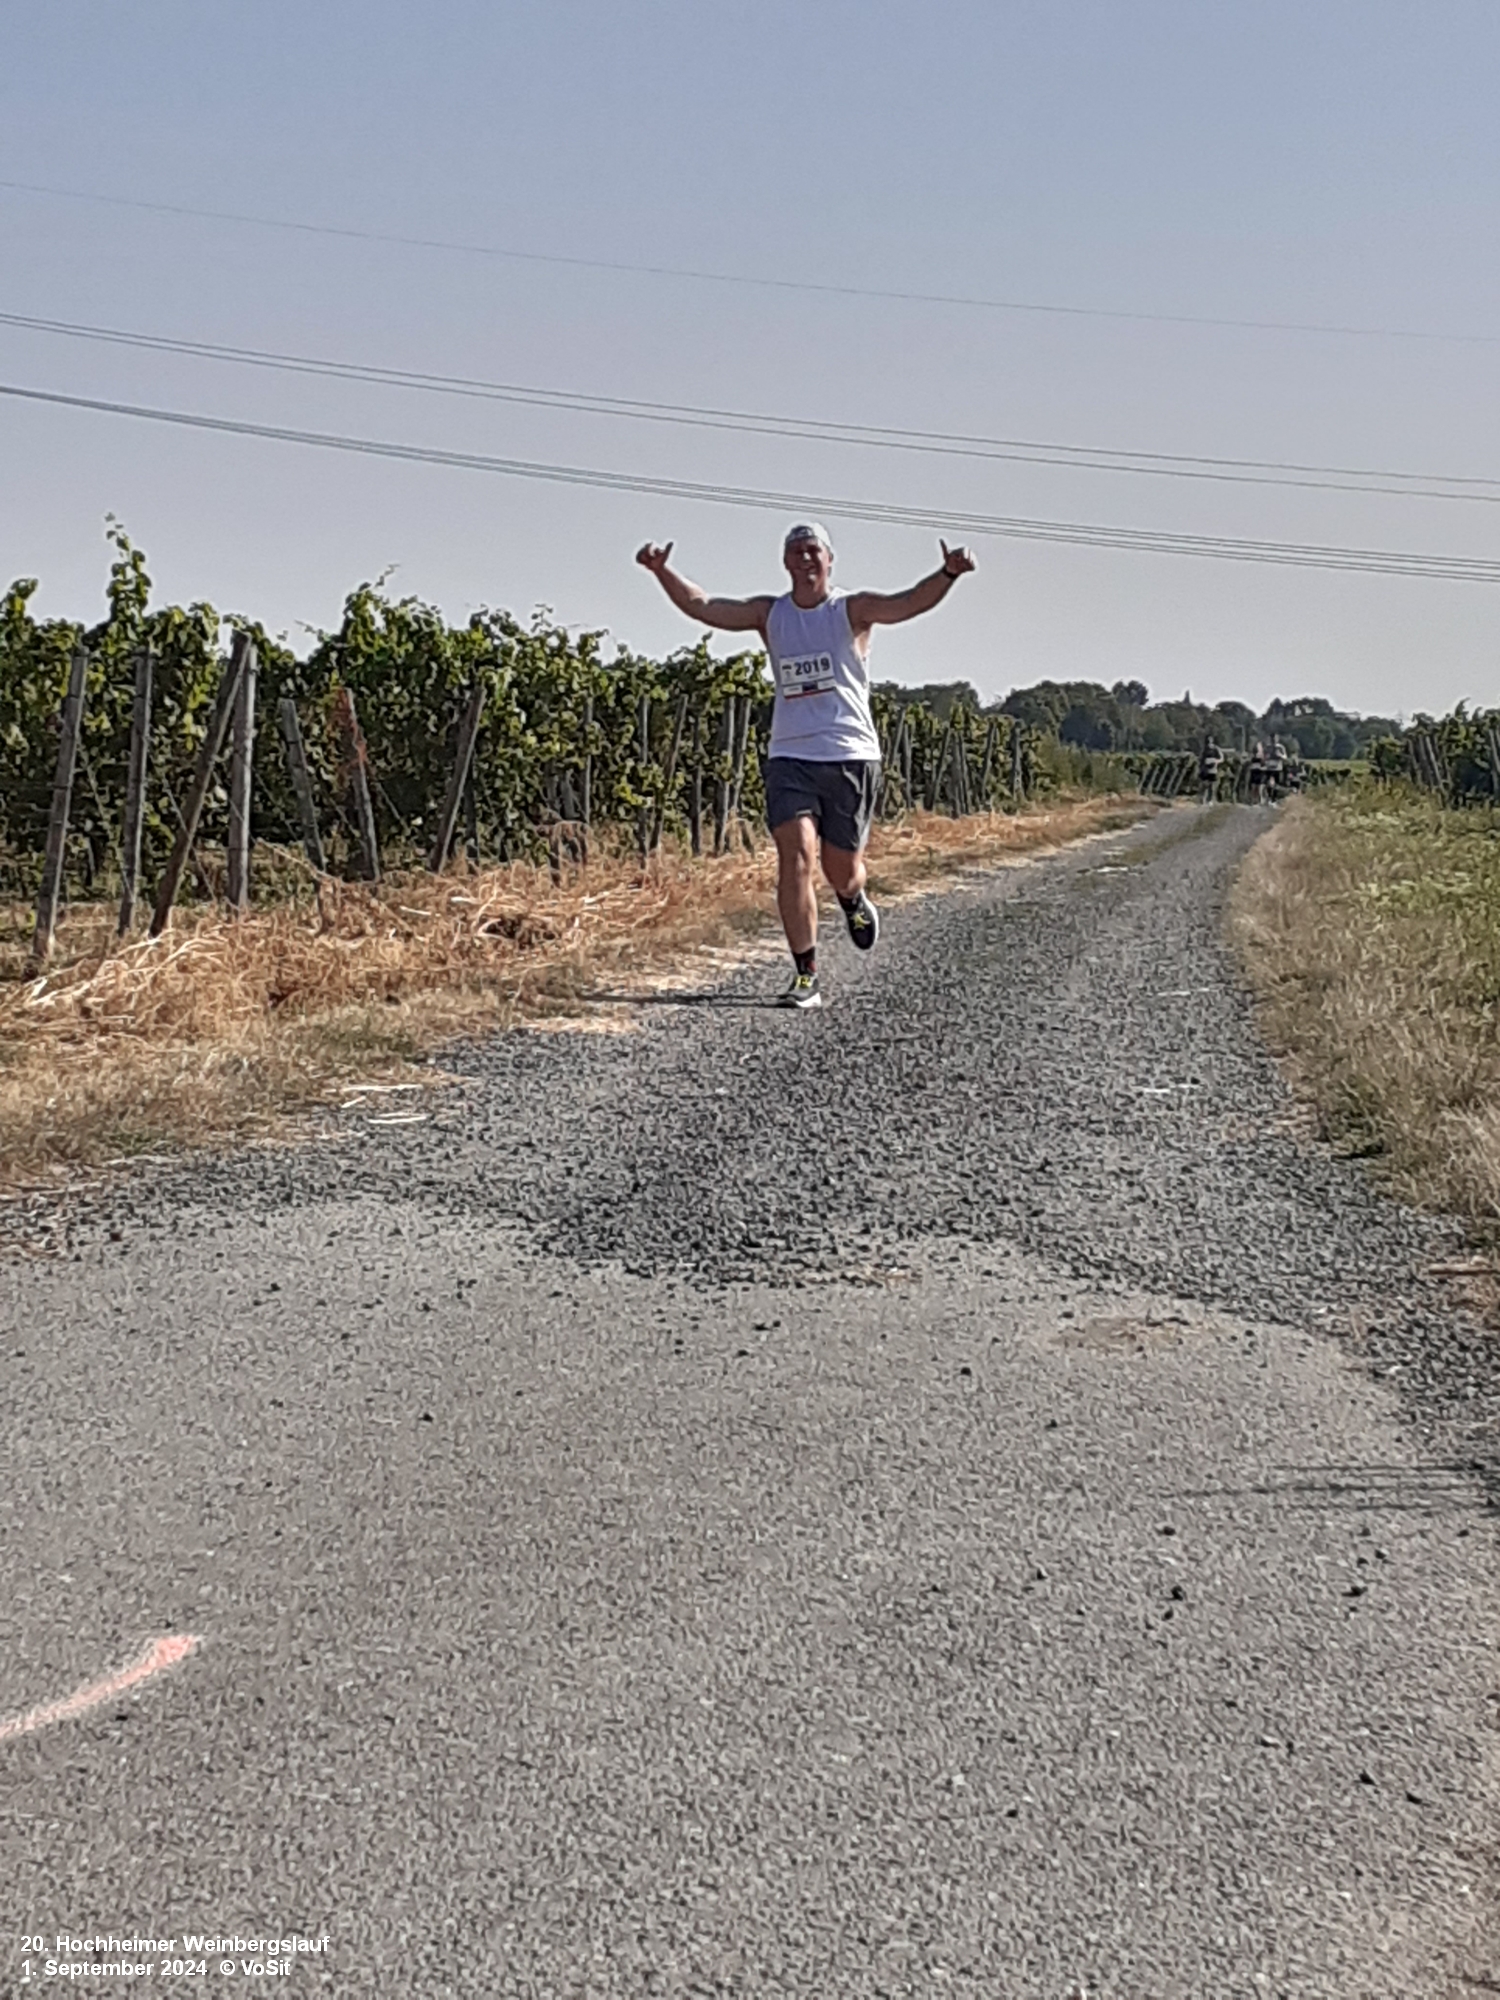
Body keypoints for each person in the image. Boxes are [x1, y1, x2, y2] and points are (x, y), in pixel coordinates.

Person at [636, 523, 976, 1008]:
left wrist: (948, 573)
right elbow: (704, 606)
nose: (805, 558)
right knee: (795, 858)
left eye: (813, 550)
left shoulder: (851, 610)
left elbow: (907, 603)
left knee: (841, 869)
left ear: (829, 560)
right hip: (790, 755)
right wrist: (662, 571)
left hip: (850, 755)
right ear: (785, 562)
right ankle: (806, 974)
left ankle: (853, 898)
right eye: (796, 551)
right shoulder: (771, 614)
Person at [1197, 737, 1224, 806]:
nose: (1210, 742)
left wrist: (1215, 761)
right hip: (1205, 769)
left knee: (1211, 785)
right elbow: (1201, 758)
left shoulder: (1216, 749)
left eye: (1211, 740)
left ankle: (1210, 799)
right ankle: (1202, 798)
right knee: (1204, 784)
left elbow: (1222, 759)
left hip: (1213, 768)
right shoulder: (1204, 749)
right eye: (1208, 740)